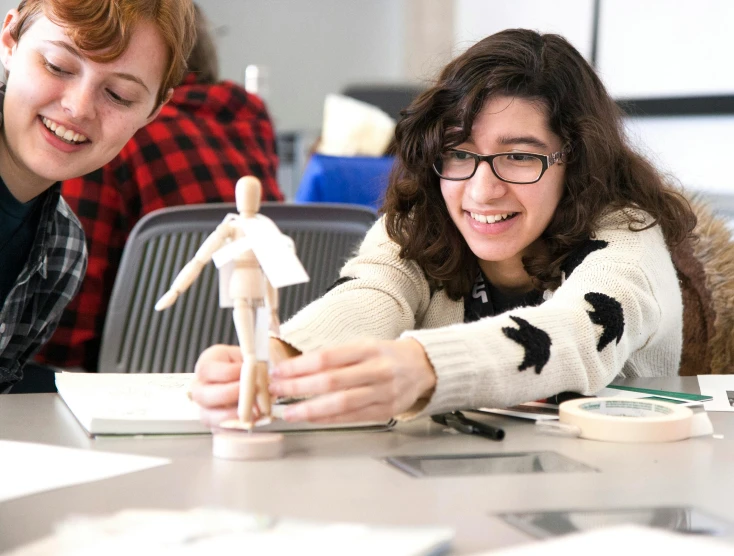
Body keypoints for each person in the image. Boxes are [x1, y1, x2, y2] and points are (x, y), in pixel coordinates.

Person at [190, 29, 700, 426]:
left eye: (520, 156)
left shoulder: (628, 237)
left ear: (578, 159)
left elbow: (575, 335)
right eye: (459, 153)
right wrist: (277, 360)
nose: (481, 190)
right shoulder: (422, 218)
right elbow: (370, 293)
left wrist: (425, 367)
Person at [35, 3, 283, 373]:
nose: (83, 106)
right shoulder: (252, 122)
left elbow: (66, 330)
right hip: (241, 368)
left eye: (118, 93)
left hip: (120, 387)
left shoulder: (114, 136)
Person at [0, 0, 196, 393]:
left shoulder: (63, 251)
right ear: (9, 40)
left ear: (154, 109)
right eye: (57, 66)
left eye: (120, 95)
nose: (78, 107)